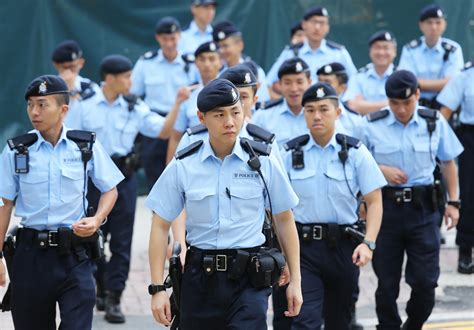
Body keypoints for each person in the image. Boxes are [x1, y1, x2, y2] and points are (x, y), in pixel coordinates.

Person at [147, 79, 303, 329]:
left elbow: (284, 218)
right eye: (219, 115)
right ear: (201, 118)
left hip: (249, 278)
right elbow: (159, 224)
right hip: (200, 278)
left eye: (235, 112)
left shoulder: (263, 161)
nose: (230, 122)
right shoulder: (184, 165)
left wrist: (296, 279)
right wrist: (157, 289)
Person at [0, 75, 123, 329]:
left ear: (63, 110)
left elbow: (110, 189)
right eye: (30, 104)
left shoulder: (84, 146)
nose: (34, 111)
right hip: (30, 257)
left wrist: (97, 219)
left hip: (74, 256)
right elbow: (4, 205)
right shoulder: (16, 150)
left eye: (42, 104)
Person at [77, 54, 180, 323]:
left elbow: (163, 131)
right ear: (110, 79)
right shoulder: (85, 105)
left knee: (122, 244)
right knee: (93, 237)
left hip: (124, 180)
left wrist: (178, 105)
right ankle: (100, 285)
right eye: (126, 77)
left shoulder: (134, 106)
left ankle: (114, 298)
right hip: (92, 182)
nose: (131, 82)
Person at [361, 70, 463, 329]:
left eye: (407, 102)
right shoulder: (372, 124)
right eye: (395, 103)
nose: (401, 109)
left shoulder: (433, 121)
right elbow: (357, 164)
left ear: (418, 95)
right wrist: (380, 169)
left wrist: (454, 202)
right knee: (386, 282)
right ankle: (388, 326)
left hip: (424, 210)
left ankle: (413, 324)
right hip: (386, 211)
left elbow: (449, 161)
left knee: (425, 282)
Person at [282, 82, 385, 329]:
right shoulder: (288, 153)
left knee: (340, 322)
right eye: (310, 110)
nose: (316, 116)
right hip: (303, 249)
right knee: (304, 321)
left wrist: (368, 243)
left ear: (338, 113)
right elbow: (277, 210)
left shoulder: (356, 152)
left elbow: (375, 201)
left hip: (343, 247)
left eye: (324, 109)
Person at [131, 16, 197, 189]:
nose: (169, 43)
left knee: (185, 171)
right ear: (158, 38)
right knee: (154, 173)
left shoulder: (191, 63)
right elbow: (133, 94)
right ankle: (157, 215)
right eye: (165, 39)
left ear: (179, 37)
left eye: (173, 38)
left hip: (183, 123)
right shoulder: (146, 62)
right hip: (155, 122)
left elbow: (200, 89)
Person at [266, 6, 356, 97]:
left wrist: (341, 103)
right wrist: (284, 102)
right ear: (304, 24)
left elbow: (354, 83)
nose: (317, 27)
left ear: (328, 27)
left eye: (322, 23)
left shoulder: (338, 53)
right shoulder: (291, 53)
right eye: (314, 22)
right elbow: (269, 83)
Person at [437, 60, 474, 274]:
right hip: (470, 137)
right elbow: (445, 113)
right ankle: (466, 250)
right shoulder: (465, 75)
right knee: (469, 194)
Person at [397, 3, 464, 109]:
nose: (433, 27)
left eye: (438, 22)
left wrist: (417, 84)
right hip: (415, 105)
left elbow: (453, 84)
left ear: (444, 25)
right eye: (429, 22)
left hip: (444, 106)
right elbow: (406, 81)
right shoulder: (410, 49)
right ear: (421, 25)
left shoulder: (453, 49)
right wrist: (440, 84)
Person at [166, 41, 221, 163]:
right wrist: (169, 168)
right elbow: (175, 137)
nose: (207, 64)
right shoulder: (187, 95)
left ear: (220, 62)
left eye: (212, 59)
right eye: (202, 59)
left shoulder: (232, 93)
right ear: (196, 63)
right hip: (195, 159)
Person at [253, 57, 311, 148]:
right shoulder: (263, 116)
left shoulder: (320, 114)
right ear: (280, 84)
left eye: (299, 82)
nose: (294, 89)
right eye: (287, 83)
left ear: (309, 82)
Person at [212, 21, 271, 102]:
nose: (221, 51)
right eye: (219, 47)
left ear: (240, 45)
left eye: (225, 46)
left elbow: (263, 101)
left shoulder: (255, 72)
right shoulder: (216, 72)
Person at [344, 30, 397, 115]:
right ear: (370, 51)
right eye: (377, 47)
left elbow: (402, 107)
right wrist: (389, 104)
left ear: (394, 52)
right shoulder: (359, 77)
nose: (381, 52)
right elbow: (352, 105)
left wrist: (364, 106)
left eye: (386, 48)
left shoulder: (401, 77)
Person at [51, 40, 99, 128]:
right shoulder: (48, 88)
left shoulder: (91, 88)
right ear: (56, 65)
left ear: (81, 63)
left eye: (73, 66)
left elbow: (93, 120)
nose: (69, 72)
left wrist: (72, 91)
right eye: (65, 67)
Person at [316, 62, 364, 138]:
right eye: (319, 81)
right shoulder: (307, 114)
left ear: (342, 88)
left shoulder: (354, 120)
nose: (321, 87)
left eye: (327, 83)